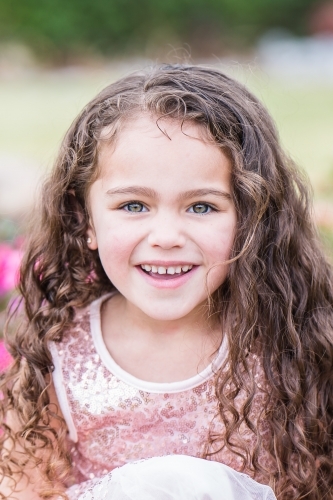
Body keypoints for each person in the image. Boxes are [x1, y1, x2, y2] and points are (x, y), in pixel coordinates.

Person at [0, 64, 332, 500]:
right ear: (83, 219)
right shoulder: (59, 351)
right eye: (134, 205)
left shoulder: (291, 343)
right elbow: (25, 488)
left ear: (253, 219)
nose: (167, 238)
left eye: (201, 207)